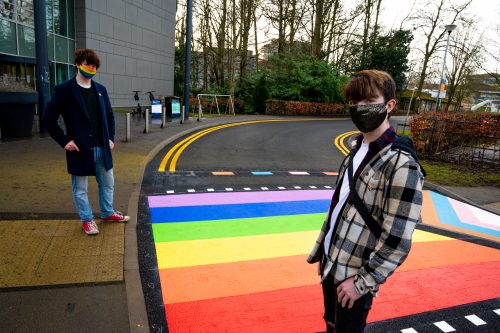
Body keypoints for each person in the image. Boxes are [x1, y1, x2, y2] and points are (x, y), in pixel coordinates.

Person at [307, 70, 425, 333]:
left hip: (355, 277)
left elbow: (398, 238)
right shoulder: (355, 149)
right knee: (331, 326)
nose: (360, 108)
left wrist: (362, 282)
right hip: (332, 265)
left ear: (389, 105)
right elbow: (339, 206)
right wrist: (325, 256)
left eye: (369, 101)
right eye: (355, 102)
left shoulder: (402, 164)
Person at [43, 49, 129, 235]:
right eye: (88, 64)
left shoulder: (101, 90)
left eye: (94, 66)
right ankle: (87, 220)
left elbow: (109, 116)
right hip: (79, 149)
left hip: (102, 148)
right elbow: (48, 118)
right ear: (77, 64)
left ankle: (107, 213)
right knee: (80, 188)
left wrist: (111, 138)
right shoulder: (64, 90)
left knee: (108, 183)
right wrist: (64, 141)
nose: (91, 68)